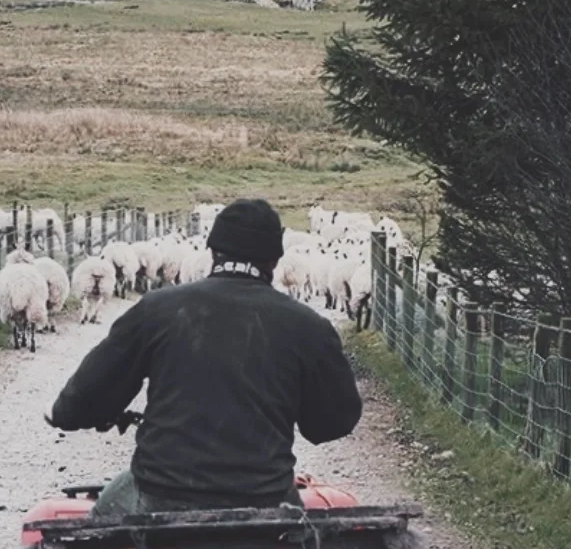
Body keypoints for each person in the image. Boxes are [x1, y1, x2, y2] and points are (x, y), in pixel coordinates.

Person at [45, 199, 363, 517]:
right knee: (309, 543)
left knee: (98, 527)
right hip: (266, 498)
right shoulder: (308, 325)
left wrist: (67, 413)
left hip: (163, 492)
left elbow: (92, 390)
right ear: (275, 258)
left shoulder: (158, 309)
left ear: (212, 249)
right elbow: (333, 422)